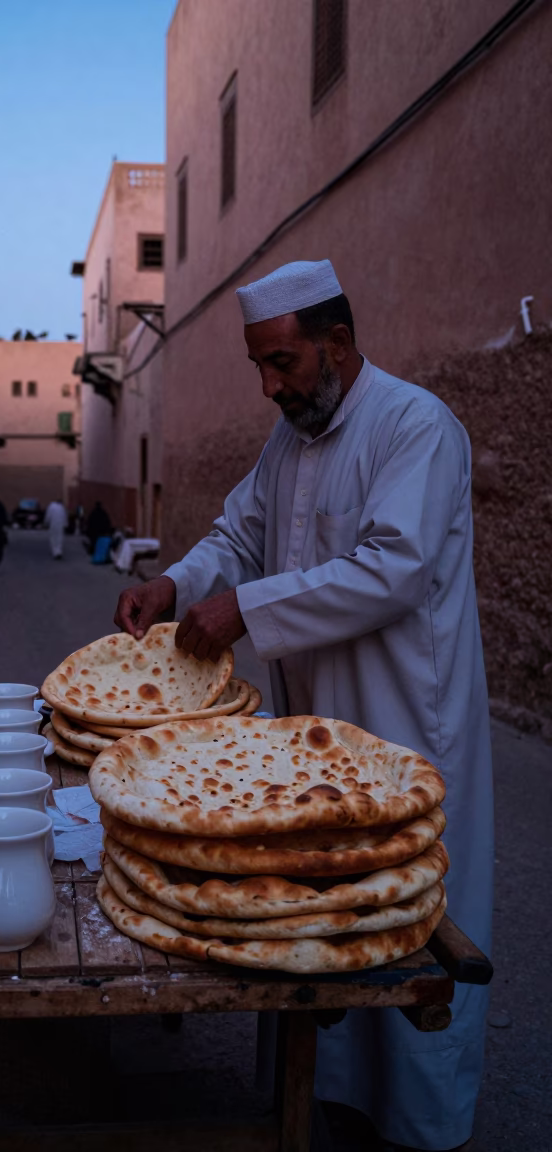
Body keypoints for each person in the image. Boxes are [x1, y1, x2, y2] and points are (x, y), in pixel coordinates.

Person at [114, 260, 493, 1152]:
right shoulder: (290, 439)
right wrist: (175, 583)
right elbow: (240, 533)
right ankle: (324, 1108)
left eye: (281, 363)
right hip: (316, 737)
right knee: (313, 919)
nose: (268, 385)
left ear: (339, 344)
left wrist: (246, 608)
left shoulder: (415, 427)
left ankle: (419, 1128)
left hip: (405, 721)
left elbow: (391, 567)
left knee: (402, 918)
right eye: (258, 365)